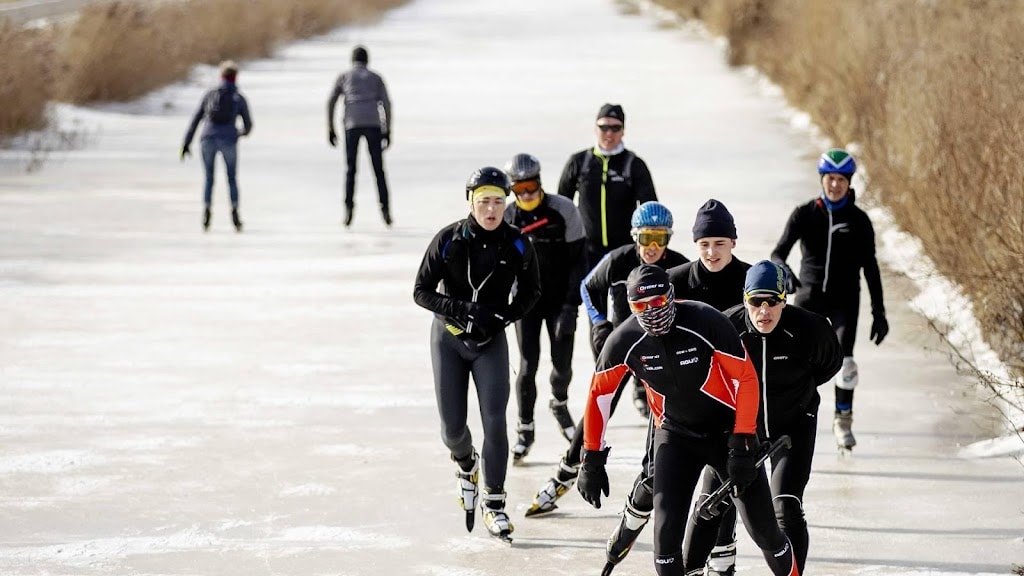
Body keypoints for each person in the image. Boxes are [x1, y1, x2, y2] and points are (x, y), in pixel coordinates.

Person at [577, 265, 799, 576]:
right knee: (665, 546)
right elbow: (599, 396)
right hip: (676, 437)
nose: (652, 312)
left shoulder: (704, 320)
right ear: (631, 308)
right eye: (642, 306)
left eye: (658, 303)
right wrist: (592, 458)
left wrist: (743, 440)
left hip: (725, 433)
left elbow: (746, 379)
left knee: (764, 532)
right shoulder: (623, 341)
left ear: (671, 297)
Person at [604, 198, 751, 574]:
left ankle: (719, 559)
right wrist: (586, 452)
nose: (711, 252)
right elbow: (627, 357)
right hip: (672, 408)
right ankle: (631, 520)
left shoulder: (750, 281)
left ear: (733, 242)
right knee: (657, 478)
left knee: (726, 482)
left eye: (719, 243)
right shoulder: (677, 280)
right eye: (704, 244)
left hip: (727, 403)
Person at [524, 201, 687, 516]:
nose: (652, 247)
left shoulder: (679, 267)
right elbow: (588, 286)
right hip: (623, 347)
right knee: (598, 409)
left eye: (660, 239)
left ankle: (655, 483)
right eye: (645, 238)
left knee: (664, 417)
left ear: (669, 238)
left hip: (659, 352)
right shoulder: (617, 260)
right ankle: (565, 474)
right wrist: (600, 322)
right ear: (633, 236)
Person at [684, 260, 841, 574]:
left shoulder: (810, 329)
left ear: (785, 300)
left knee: (786, 506)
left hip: (792, 427)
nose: (764, 311)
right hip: (739, 430)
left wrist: (797, 402)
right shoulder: (725, 328)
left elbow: (829, 366)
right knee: (710, 505)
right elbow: (705, 379)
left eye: (773, 302)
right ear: (745, 299)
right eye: (756, 301)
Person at [413, 166, 540, 543]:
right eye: (483, 201)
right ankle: (467, 464)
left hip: (490, 344)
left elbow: (532, 292)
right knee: (452, 430)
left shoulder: (517, 243)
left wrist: (502, 317)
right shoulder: (449, 239)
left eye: (498, 201)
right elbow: (421, 291)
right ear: (471, 202)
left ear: (507, 203)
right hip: (449, 339)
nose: (491, 209)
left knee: (496, 422)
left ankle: (496, 504)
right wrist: (461, 309)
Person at [771, 148, 889, 451]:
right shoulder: (805, 213)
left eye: (840, 179)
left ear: (849, 182)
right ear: (822, 180)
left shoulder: (859, 220)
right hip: (808, 298)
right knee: (793, 359)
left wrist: (879, 311)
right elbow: (778, 253)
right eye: (829, 179)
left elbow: (871, 268)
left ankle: (842, 419)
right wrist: (785, 273)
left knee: (845, 362)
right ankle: (788, 416)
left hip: (844, 302)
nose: (834, 185)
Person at [502, 153, 586, 463]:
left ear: (540, 183)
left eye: (531, 187)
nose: (526, 194)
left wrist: (570, 305)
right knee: (527, 366)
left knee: (562, 363)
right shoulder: (508, 218)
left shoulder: (563, 210)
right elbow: (504, 267)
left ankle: (559, 403)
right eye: (519, 189)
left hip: (560, 300)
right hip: (527, 303)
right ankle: (525, 428)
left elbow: (580, 262)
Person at [557, 103, 658, 271]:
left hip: (625, 250)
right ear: (595, 129)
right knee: (582, 295)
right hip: (585, 250)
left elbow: (650, 208)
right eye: (604, 128)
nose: (609, 133)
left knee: (622, 296)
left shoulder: (634, 164)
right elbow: (562, 205)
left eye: (615, 128)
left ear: (623, 131)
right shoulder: (579, 162)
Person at [180, 60, 253, 232]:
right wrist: (238, 133)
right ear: (235, 77)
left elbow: (196, 120)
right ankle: (235, 212)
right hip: (228, 140)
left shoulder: (210, 95)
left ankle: (206, 211)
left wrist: (186, 143)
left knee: (209, 178)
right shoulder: (239, 98)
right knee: (232, 178)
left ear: (221, 76)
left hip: (207, 138)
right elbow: (248, 126)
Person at [328, 45, 393, 227]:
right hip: (373, 124)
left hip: (352, 124)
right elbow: (387, 103)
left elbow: (331, 101)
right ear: (367, 60)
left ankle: (348, 210)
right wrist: (388, 130)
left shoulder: (344, 77)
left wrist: (330, 128)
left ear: (352, 60)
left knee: (351, 169)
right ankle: (385, 209)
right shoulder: (376, 78)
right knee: (378, 169)